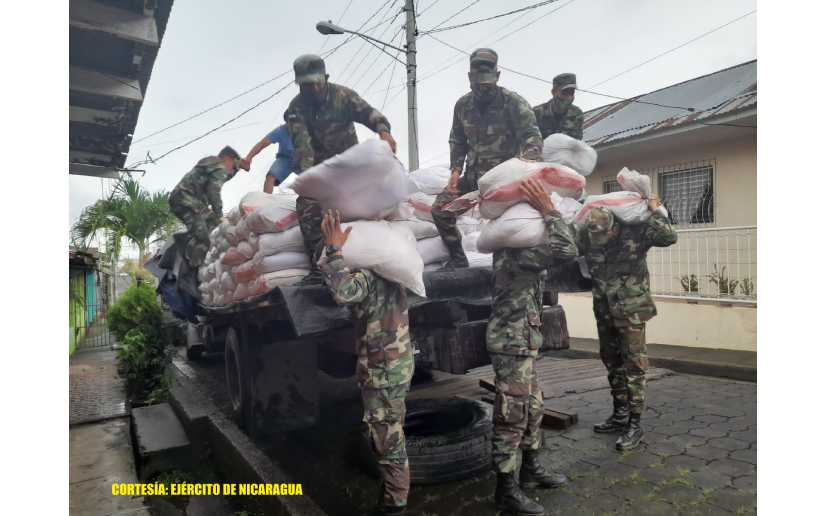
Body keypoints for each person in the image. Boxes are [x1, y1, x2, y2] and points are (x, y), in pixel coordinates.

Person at [526, 183, 678, 451]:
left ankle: (635, 423)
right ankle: (619, 413)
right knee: (611, 360)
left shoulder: (637, 231)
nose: (600, 242)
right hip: (604, 308)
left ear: (615, 227)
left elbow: (668, 237)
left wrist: (656, 208)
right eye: (595, 237)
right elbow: (568, 247)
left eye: (605, 235)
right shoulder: (590, 235)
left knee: (634, 364)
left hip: (631, 308)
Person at [484, 178, 577, 515]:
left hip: (523, 342)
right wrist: (550, 210)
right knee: (512, 415)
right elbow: (567, 249)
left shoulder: (523, 246)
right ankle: (505, 490)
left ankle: (531, 470)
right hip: (511, 344)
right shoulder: (517, 253)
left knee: (533, 407)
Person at [318, 209, 413, 515]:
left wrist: (333, 249)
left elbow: (343, 292)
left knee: (387, 435)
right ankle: (392, 493)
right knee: (390, 427)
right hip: (397, 363)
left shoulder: (370, 277)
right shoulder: (396, 273)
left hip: (382, 367)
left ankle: (395, 504)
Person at [284, 54, 397, 283]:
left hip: (350, 167)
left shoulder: (343, 96)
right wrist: (309, 180)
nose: (313, 88)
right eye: (306, 85)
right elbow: (303, 147)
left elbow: (370, 114)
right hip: (321, 172)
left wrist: (384, 131)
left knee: (375, 201)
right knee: (306, 206)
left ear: (325, 78)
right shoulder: (296, 108)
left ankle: (382, 256)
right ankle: (318, 266)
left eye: (316, 82)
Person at [431, 48, 543, 269]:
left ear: (497, 76)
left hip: (507, 182)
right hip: (474, 179)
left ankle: (521, 268)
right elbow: (458, 140)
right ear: (470, 78)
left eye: (487, 84)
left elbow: (533, 138)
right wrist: (455, 173)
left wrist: (525, 168)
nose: (482, 89)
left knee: (517, 224)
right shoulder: (462, 106)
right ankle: (458, 259)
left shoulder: (513, 103)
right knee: (441, 210)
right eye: (477, 84)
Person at [169, 146, 248, 270]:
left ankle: (187, 243)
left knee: (213, 224)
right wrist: (220, 214)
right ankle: (191, 272)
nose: (232, 171)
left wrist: (238, 167)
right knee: (203, 238)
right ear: (228, 159)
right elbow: (213, 191)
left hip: (184, 199)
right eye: (233, 167)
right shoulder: (220, 166)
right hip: (187, 199)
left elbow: (224, 178)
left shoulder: (213, 164)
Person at [240, 124, 297, 193]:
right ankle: (267, 200)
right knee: (270, 177)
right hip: (285, 159)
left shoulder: (310, 128)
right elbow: (262, 144)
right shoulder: (281, 130)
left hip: (304, 158)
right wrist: (249, 158)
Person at [532, 73, 584, 140]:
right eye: (564, 92)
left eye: (571, 92)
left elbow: (575, 143)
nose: (568, 97)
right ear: (553, 92)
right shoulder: (536, 113)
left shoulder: (576, 114)